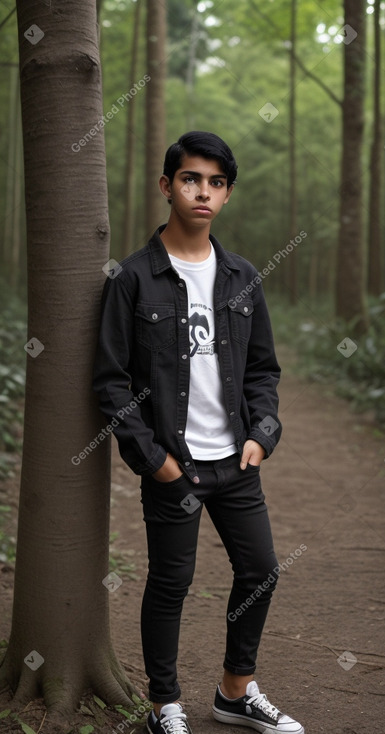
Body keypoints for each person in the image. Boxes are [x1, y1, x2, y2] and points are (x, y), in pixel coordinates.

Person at [93, 131, 304, 734]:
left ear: (227, 195)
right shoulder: (132, 278)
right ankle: (165, 705)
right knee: (171, 582)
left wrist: (262, 433)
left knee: (261, 567)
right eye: (191, 179)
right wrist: (153, 459)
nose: (202, 191)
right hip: (174, 463)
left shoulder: (242, 276)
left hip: (237, 460)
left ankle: (235, 691)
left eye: (215, 183)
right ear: (167, 186)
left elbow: (263, 368)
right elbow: (110, 381)